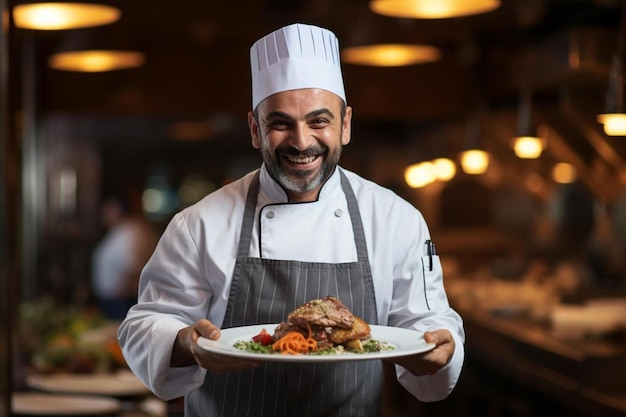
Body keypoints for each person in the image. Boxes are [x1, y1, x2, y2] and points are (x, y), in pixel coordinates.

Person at [118, 23, 465, 416]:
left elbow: (428, 324)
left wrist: (438, 349)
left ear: (345, 124)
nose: (301, 142)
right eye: (280, 123)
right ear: (254, 128)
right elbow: (143, 326)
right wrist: (185, 344)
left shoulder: (396, 220)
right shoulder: (199, 224)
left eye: (319, 121)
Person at [92, 195, 158, 320]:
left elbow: (134, 267)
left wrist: (123, 293)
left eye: (109, 209)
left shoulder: (130, 232)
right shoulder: (118, 231)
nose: (104, 215)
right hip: (112, 301)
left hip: (122, 302)